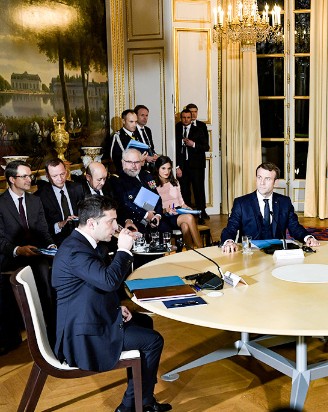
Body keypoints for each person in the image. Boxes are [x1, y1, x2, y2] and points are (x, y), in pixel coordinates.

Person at [52, 195, 171, 412]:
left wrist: (115, 308)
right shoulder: (75, 251)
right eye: (110, 221)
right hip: (81, 336)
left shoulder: (83, 244)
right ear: (91, 223)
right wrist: (123, 249)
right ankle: (128, 407)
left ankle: (144, 400)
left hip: (88, 317)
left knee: (144, 322)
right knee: (153, 341)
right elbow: (108, 281)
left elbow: (91, 288)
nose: (116, 226)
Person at [0, 160, 57, 351]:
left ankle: (52, 332)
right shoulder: (1, 204)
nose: (29, 179)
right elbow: (0, 240)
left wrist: (50, 245)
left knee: (45, 276)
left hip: (34, 253)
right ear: (11, 179)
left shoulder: (34, 201)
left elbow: (43, 230)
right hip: (11, 256)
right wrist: (18, 250)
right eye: (24, 176)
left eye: (30, 175)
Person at [221, 162, 319, 253]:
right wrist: (228, 241)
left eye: (267, 179)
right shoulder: (241, 203)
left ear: (275, 182)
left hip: (277, 252)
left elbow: (294, 227)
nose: (262, 182)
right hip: (251, 253)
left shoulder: (285, 202)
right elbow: (231, 228)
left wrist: (308, 237)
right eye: (259, 177)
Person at [113, 148, 199, 249]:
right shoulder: (118, 179)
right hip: (136, 220)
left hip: (155, 218)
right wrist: (146, 215)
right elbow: (125, 203)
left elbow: (157, 198)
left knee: (167, 228)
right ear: (123, 162)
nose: (134, 166)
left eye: (136, 162)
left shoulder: (146, 176)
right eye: (130, 162)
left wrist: (157, 215)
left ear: (141, 162)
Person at [154, 155, 204, 248]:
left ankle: (191, 252)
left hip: (178, 212)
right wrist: (165, 210)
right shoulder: (153, 184)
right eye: (163, 168)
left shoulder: (175, 182)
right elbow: (153, 207)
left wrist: (187, 208)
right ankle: (202, 250)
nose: (167, 171)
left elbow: (181, 202)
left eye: (169, 168)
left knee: (185, 226)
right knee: (189, 218)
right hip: (164, 215)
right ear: (157, 168)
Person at [35, 158, 85, 245]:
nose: (60, 179)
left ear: (66, 172)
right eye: (55, 176)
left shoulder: (77, 188)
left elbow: (86, 211)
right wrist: (60, 224)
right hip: (58, 240)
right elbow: (41, 227)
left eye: (62, 174)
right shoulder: (40, 196)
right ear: (47, 176)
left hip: (81, 234)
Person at [175, 106, 210, 220]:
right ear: (181, 118)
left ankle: (201, 213)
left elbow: (206, 147)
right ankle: (187, 213)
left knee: (199, 190)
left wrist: (193, 144)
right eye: (184, 117)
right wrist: (177, 166)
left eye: (188, 117)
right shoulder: (176, 128)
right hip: (182, 166)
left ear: (191, 118)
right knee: (184, 190)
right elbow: (174, 148)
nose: (186, 119)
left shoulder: (198, 129)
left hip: (196, 166)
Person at [111, 109, 146, 173]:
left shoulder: (137, 134)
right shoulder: (117, 137)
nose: (134, 124)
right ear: (123, 121)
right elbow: (116, 159)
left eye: (136, 122)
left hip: (139, 171)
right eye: (131, 122)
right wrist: (138, 160)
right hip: (125, 173)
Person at [134, 104, 159, 169]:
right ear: (136, 116)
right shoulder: (132, 130)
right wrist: (145, 158)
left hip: (150, 165)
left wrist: (155, 155)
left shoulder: (148, 130)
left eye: (146, 115)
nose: (145, 118)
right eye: (142, 115)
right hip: (138, 166)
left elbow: (151, 147)